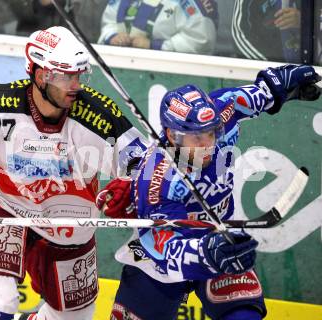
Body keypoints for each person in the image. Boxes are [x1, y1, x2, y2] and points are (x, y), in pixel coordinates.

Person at [0, 26, 147, 320]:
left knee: (74, 316)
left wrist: (131, 188)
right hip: (3, 208)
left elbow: (147, 165)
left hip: (69, 225)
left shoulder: (100, 118)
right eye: (66, 76)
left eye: (78, 75)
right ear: (40, 76)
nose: (75, 84)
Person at [96, 64, 321, 319]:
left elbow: (261, 92)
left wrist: (279, 86)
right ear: (172, 135)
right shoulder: (156, 178)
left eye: (210, 134)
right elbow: (162, 247)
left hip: (220, 237)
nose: (208, 145)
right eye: (197, 139)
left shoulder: (219, 112)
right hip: (164, 260)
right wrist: (204, 253)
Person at [98, 0, 218, 54]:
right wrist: (112, 36)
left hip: (173, 74)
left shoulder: (194, 2)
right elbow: (109, 21)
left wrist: (154, 45)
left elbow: (201, 40)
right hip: (119, 67)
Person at [232, 0, 301, 62]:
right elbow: (240, 34)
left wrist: (303, 19)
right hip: (268, 59)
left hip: (303, 61)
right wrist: (270, 66)